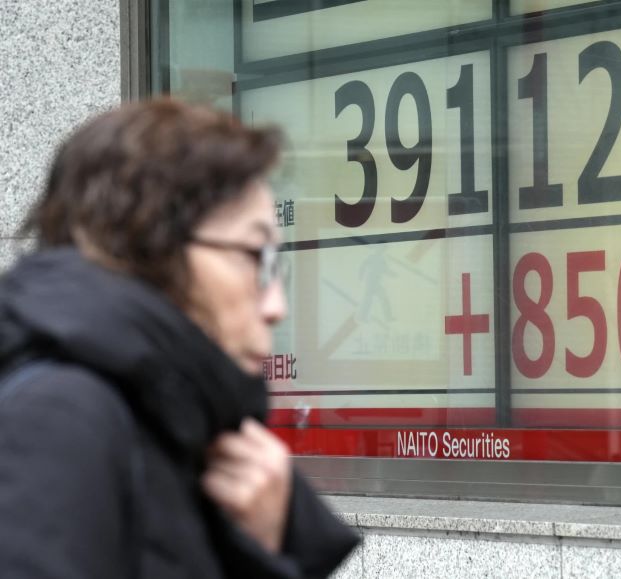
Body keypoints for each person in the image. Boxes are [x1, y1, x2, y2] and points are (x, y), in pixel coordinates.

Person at [0, 99, 359, 578]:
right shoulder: (61, 417)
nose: (276, 305)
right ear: (152, 249)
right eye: (255, 256)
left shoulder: (178, 419)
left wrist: (256, 545)